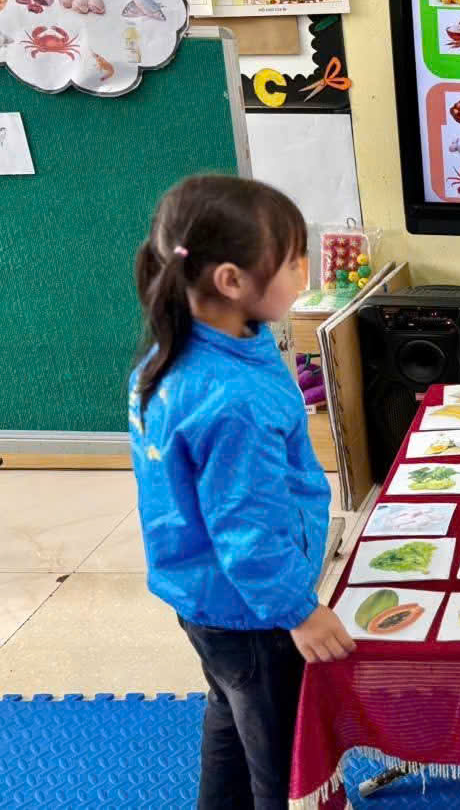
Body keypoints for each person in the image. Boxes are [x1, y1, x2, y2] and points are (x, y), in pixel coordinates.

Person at [129, 176, 354, 810]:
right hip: (255, 612)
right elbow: (246, 531)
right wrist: (299, 612)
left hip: (204, 598)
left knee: (231, 713)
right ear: (231, 281)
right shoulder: (234, 400)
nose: (305, 273)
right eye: (293, 262)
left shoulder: (174, 356)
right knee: (282, 758)